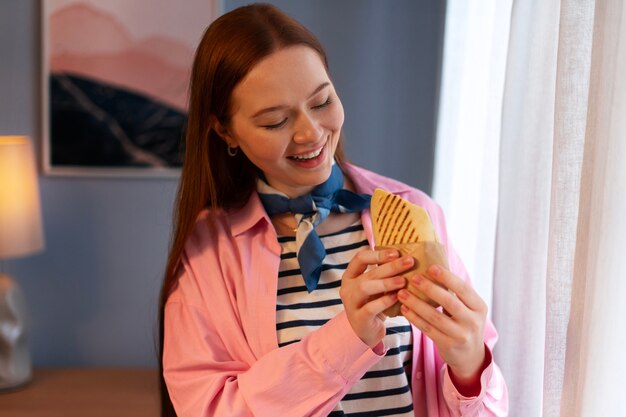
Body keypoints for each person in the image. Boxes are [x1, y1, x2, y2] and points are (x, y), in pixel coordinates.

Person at [158, 3, 508, 417]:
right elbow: (207, 408)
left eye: (322, 101)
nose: (310, 133)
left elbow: (483, 405)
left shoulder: (415, 211)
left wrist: (470, 366)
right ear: (225, 130)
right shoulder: (210, 251)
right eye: (275, 121)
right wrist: (348, 337)